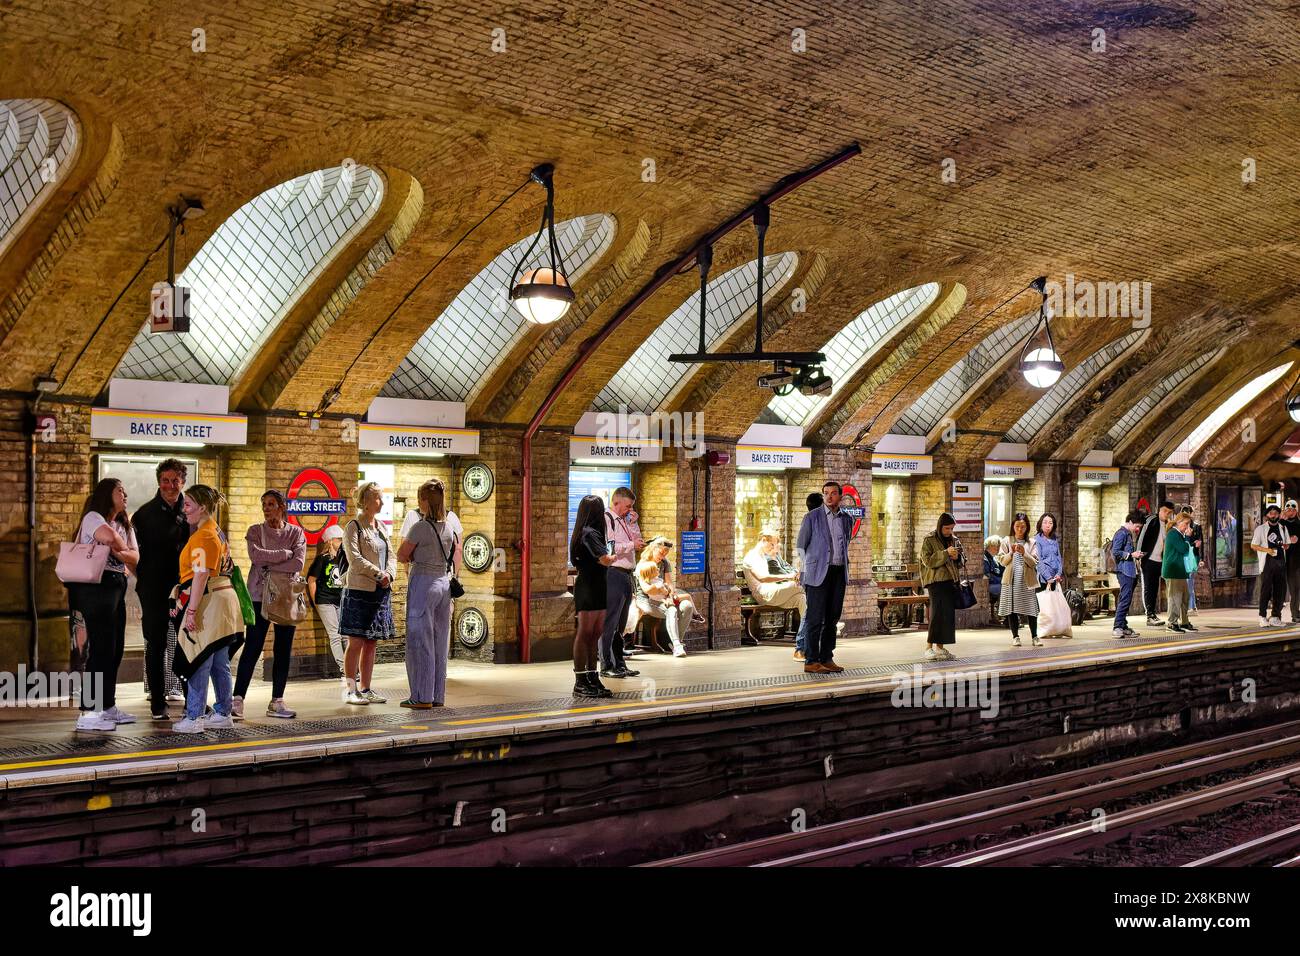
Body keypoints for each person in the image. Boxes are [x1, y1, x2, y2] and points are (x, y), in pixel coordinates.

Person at [68, 478, 140, 732]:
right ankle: (88, 712)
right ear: (106, 494)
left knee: (114, 648)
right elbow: (108, 537)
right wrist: (119, 548)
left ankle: (107, 706)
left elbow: (134, 557)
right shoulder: (93, 517)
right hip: (93, 587)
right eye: (119, 490)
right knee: (98, 649)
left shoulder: (124, 523)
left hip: (116, 586)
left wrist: (117, 550)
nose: (124, 494)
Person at [171, 484, 243, 734]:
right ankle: (223, 712)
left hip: (209, 600)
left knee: (198, 657)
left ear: (202, 507)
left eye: (188, 504)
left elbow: (200, 575)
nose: (184, 509)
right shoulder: (217, 531)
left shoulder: (203, 535)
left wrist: (191, 611)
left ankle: (194, 717)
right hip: (224, 600)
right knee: (219, 661)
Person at [232, 490, 307, 720]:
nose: (266, 508)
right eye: (263, 504)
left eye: (271, 504)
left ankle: (277, 701)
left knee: (282, 649)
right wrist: (284, 554)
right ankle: (237, 700)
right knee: (253, 647)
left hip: (285, 596)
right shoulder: (255, 531)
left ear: (282, 507)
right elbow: (255, 556)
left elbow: (298, 562)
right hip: (258, 595)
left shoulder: (296, 533)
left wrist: (271, 562)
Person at [130, 458, 189, 720]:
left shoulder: (192, 510)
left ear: (182, 481)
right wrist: (144, 579)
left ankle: (193, 698)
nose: (170, 485)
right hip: (153, 590)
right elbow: (133, 556)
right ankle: (157, 702)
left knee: (187, 643)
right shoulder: (143, 515)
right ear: (158, 482)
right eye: (165, 480)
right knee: (156, 645)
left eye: (175, 480)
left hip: (184, 589)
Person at [397, 479, 458, 708]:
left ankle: (421, 697)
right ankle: (436, 695)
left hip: (424, 582)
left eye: (419, 498)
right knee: (439, 640)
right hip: (443, 584)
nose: (418, 503)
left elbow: (402, 554)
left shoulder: (420, 527)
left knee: (419, 640)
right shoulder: (448, 527)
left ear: (425, 500)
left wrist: (414, 556)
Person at [340, 481, 398, 704]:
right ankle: (350, 689)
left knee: (371, 641)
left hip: (380, 591)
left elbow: (391, 555)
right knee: (355, 641)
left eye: (381, 498)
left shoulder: (381, 527)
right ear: (365, 501)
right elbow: (355, 559)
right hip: (359, 591)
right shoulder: (353, 527)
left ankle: (366, 688)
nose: (381, 502)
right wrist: (378, 574)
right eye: (377, 498)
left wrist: (389, 575)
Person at [795, 480, 854, 674]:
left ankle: (827, 657)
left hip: (838, 572)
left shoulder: (846, 518)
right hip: (817, 574)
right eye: (826, 493)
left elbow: (845, 544)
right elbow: (801, 547)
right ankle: (811, 660)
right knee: (814, 618)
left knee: (832, 618)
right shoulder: (812, 517)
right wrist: (806, 571)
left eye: (833, 493)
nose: (829, 497)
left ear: (840, 496)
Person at [570, 494, 615, 698]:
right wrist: (617, 555)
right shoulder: (588, 533)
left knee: (595, 633)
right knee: (585, 633)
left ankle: (591, 675)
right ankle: (580, 680)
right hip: (588, 585)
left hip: (598, 584)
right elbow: (605, 559)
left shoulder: (593, 532)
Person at [599, 487, 643, 680]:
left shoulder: (625, 520)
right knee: (610, 622)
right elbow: (610, 547)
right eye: (627, 506)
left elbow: (636, 539)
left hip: (627, 573)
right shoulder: (607, 520)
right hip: (614, 573)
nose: (629, 510)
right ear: (616, 502)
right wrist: (632, 546)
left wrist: (633, 523)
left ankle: (619, 664)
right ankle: (606, 664)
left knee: (621, 623)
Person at [742, 529, 806, 650]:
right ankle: (823, 622)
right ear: (763, 540)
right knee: (802, 585)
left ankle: (806, 635)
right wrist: (790, 577)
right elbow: (762, 578)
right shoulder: (751, 557)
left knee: (801, 599)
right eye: (772, 544)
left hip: (773, 591)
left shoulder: (763, 555)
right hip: (763, 594)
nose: (774, 547)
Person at [634, 537, 694, 657]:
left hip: (663, 597)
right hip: (646, 600)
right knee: (671, 610)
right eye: (661, 552)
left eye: (665, 553)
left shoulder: (664, 562)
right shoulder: (643, 565)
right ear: (653, 548)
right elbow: (646, 589)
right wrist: (661, 589)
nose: (663, 556)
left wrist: (670, 595)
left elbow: (669, 583)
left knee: (687, 606)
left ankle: (674, 642)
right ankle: (676, 646)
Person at [307, 523, 348, 697]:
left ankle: (351, 667)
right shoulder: (322, 559)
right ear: (330, 541)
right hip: (325, 600)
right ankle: (344, 668)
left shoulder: (344, 558)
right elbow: (311, 580)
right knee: (335, 634)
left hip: (341, 600)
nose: (342, 542)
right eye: (339, 539)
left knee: (346, 634)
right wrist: (316, 602)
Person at [919, 513, 962, 661]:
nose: (949, 531)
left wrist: (958, 558)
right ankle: (928, 648)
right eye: (946, 528)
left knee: (947, 616)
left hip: (950, 581)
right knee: (937, 614)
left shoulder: (954, 540)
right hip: (935, 582)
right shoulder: (929, 539)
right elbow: (928, 561)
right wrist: (945, 553)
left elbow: (962, 560)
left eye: (951, 528)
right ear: (940, 526)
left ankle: (940, 648)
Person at [997, 512, 1040, 646]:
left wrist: (1024, 552)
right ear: (1013, 526)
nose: (1020, 529)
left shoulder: (1032, 542)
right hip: (1010, 581)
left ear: (1027, 527)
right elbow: (1002, 561)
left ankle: (1035, 636)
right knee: (1011, 608)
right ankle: (1015, 636)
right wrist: (1011, 552)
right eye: (1017, 526)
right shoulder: (1006, 541)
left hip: (1027, 581)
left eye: (1023, 527)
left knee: (1031, 609)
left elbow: (1034, 562)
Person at [1136, 500, 1174, 626]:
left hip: (1160, 561)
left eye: (1169, 512)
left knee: (1155, 588)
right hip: (1148, 559)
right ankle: (1149, 615)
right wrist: (1139, 554)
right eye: (1164, 511)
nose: (1166, 514)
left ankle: (1153, 614)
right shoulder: (1152, 520)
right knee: (1148, 588)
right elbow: (1142, 536)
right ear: (1159, 510)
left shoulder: (1168, 524)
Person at [1252, 503, 1290, 626]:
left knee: (1280, 591)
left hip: (1280, 562)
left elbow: (1287, 544)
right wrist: (1267, 550)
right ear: (1266, 515)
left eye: (1275, 513)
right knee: (1266, 591)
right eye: (1271, 513)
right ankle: (1262, 616)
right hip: (1267, 562)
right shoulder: (1260, 529)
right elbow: (1253, 545)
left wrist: (1286, 545)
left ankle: (1275, 617)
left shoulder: (1283, 528)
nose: (1273, 515)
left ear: (1279, 515)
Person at [1110, 511, 1145, 639]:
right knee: (1124, 599)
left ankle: (1123, 626)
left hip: (1130, 571)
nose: (1138, 529)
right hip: (1124, 572)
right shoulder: (1122, 533)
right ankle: (1117, 627)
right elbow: (1116, 552)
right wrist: (1132, 555)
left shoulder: (1128, 534)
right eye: (1137, 526)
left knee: (1127, 599)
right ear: (1130, 522)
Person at [1161, 511, 1196, 633]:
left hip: (1180, 571)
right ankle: (1172, 623)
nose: (1187, 527)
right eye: (1186, 524)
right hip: (1173, 571)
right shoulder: (1173, 534)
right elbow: (1184, 549)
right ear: (1179, 522)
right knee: (1175, 598)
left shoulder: (1179, 534)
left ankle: (1185, 622)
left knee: (1185, 597)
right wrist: (1188, 537)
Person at [1180, 506, 1205, 615]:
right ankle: (1193, 606)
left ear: (1191, 513)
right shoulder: (1180, 527)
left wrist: (1201, 559)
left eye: (1188, 513)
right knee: (1188, 582)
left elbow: (1200, 543)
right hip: (1184, 557)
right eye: (1184, 513)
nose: (1186, 515)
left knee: (1189, 581)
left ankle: (1191, 607)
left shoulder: (1196, 526)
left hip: (1193, 557)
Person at [1282, 499, 1300, 624]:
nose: (1290, 511)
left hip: (1297, 561)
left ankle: (1296, 613)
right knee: (1294, 589)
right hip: (1287, 563)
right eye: (1288, 509)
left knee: (1297, 589)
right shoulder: (1280, 525)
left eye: (1293, 509)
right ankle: (1295, 614)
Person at [1034, 513, 1063, 590]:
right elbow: (1038, 561)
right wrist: (1048, 577)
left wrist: (1059, 573)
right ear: (1040, 524)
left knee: (1055, 601)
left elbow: (1059, 558)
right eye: (1045, 522)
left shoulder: (1054, 539)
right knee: (1044, 601)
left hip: (1055, 579)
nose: (1048, 525)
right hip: (1043, 580)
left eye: (1050, 523)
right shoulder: (1037, 539)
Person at [983, 536, 1003, 622]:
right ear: (991, 546)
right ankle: (1002, 615)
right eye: (997, 546)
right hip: (990, 585)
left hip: (995, 583)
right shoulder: (985, 558)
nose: (999, 548)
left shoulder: (993, 558)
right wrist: (1001, 580)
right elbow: (988, 576)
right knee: (1005, 588)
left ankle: (1002, 615)